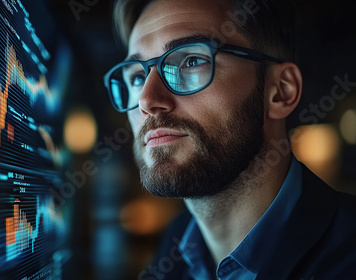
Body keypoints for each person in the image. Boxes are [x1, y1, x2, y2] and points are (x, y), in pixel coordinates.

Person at [102, 0, 356, 279]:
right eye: (137, 77)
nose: (147, 101)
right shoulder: (172, 251)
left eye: (191, 61)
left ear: (280, 91)